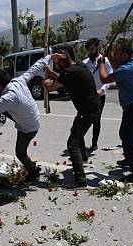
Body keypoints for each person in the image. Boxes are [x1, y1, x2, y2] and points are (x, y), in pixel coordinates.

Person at [0, 54, 54, 182]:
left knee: (20, 152)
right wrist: (50, 56)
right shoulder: (19, 80)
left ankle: (33, 172)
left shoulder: (7, 98)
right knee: (1, 107)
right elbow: (34, 68)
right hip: (34, 118)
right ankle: (32, 167)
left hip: (28, 128)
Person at [44, 49, 101, 189]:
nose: (57, 66)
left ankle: (80, 180)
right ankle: (82, 157)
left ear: (64, 61)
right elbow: (60, 79)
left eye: (58, 63)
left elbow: (52, 87)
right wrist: (50, 74)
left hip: (87, 110)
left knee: (72, 142)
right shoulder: (80, 66)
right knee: (75, 130)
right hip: (91, 107)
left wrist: (46, 81)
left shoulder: (68, 72)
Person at [97, 39, 133, 183]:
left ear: (125, 55)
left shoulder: (126, 69)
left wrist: (101, 64)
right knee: (125, 134)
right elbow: (115, 64)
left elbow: (105, 79)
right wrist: (108, 57)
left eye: (117, 53)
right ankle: (129, 159)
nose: (114, 55)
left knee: (129, 139)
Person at [82, 38, 113, 152]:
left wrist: (102, 90)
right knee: (84, 119)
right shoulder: (85, 63)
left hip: (99, 96)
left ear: (96, 48)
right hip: (87, 96)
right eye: (88, 50)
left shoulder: (104, 61)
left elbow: (110, 78)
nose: (90, 51)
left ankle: (94, 143)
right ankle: (80, 143)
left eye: (92, 49)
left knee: (96, 119)